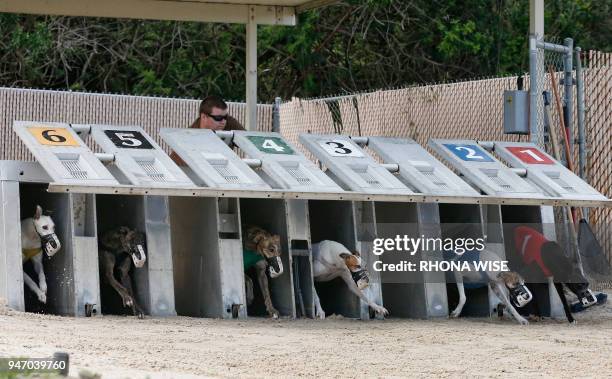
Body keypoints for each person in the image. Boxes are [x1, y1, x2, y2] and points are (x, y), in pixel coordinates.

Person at [171, 95, 245, 165]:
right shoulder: (190, 136)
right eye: (218, 118)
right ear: (204, 117)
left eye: (225, 117)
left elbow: (248, 142)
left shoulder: (229, 122)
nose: (223, 121)